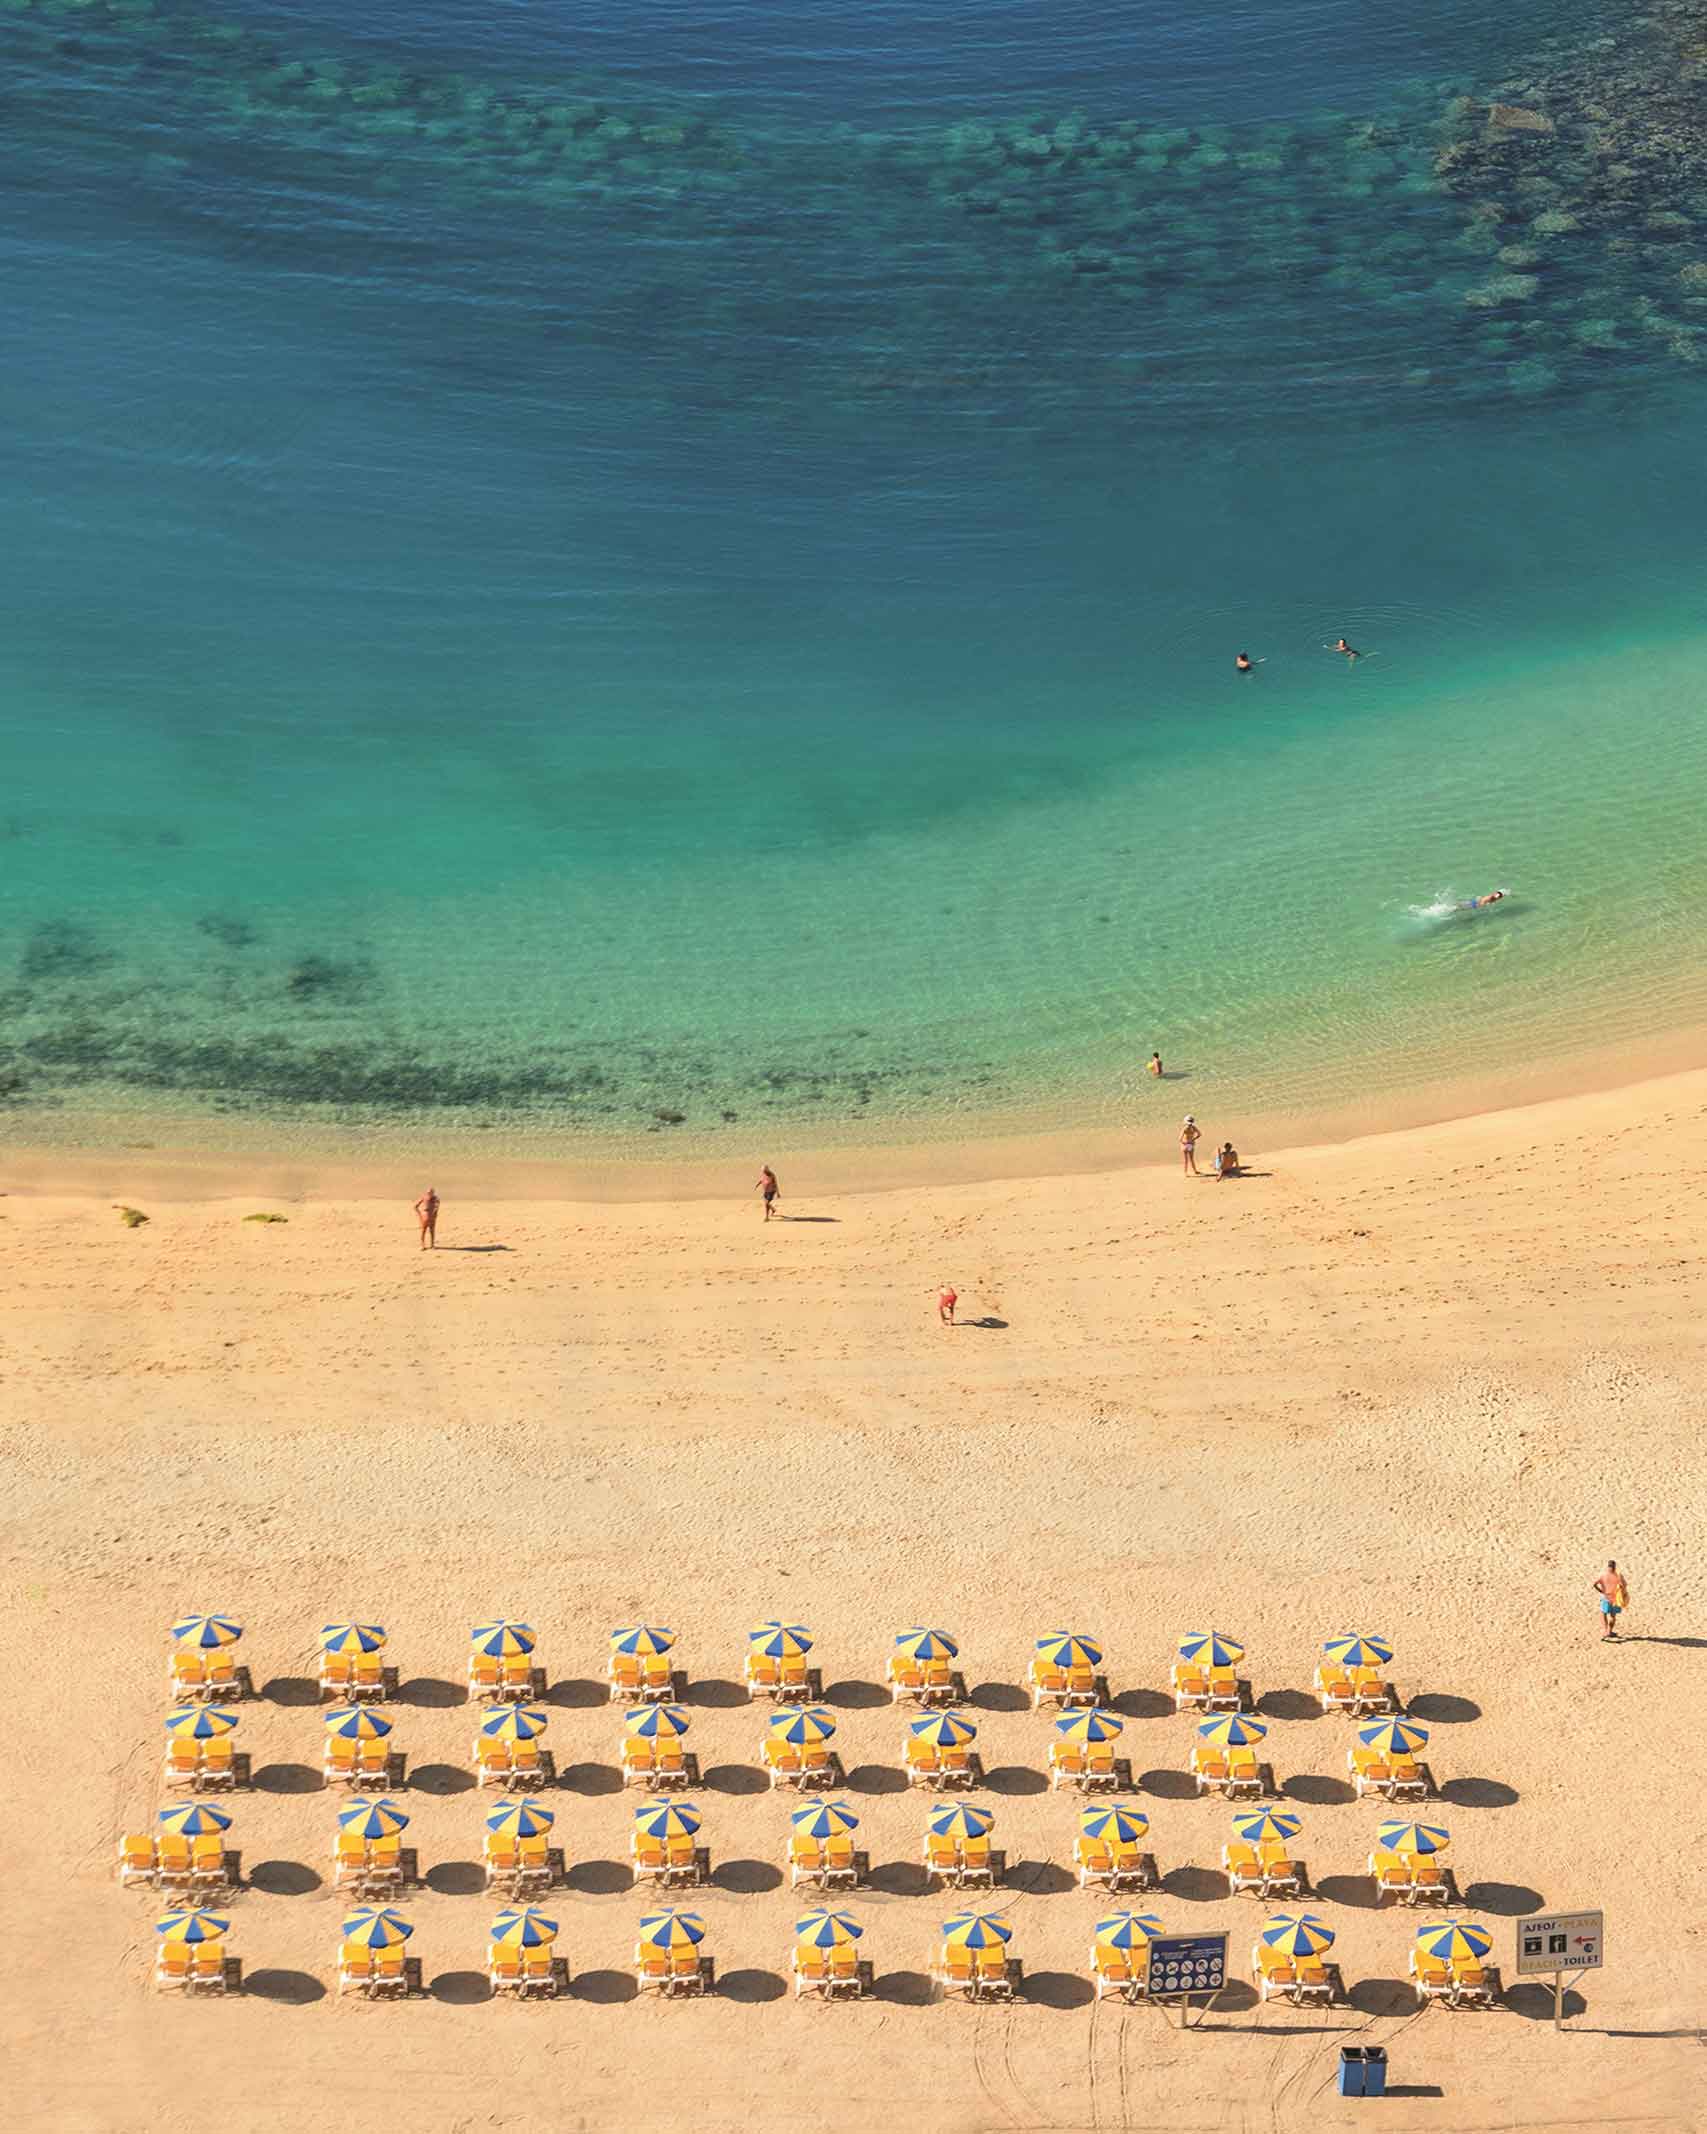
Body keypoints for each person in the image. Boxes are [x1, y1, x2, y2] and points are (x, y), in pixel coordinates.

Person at [1593, 1561, 1629, 1640]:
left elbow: (1594, 1584)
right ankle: (1609, 1631)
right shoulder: (1618, 1576)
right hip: (1615, 1598)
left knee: (1603, 1614)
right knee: (1613, 1616)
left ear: (1607, 1566)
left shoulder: (1603, 1575)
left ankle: (1605, 1631)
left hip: (1606, 1597)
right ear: (1615, 1567)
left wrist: (1601, 1591)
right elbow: (1624, 1585)